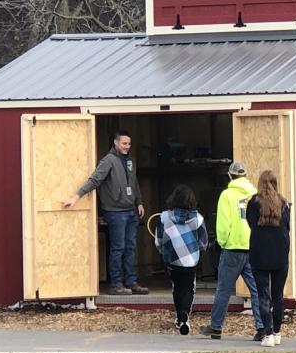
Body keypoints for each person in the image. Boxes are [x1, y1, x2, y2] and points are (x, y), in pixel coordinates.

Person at [62, 129, 148, 295]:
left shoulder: (130, 160)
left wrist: (139, 202)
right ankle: (116, 284)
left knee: (130, 247)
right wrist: (76, 196)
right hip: (115, 211)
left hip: (131, 210)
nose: (127, 147)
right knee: (118, 247)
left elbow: (134, 182)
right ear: (115, 143)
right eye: (124, 143)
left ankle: (131, 281)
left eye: (129, 144)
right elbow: (95, 180)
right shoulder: (108, 161)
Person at [206, 161, 264, 340]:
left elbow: (224, 223)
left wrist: (222, 242)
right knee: (257, 290)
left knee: (223, 289)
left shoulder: (227, 195)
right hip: (252, 247)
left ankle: (216, 327)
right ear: (245, 176)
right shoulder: (255, 194)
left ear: (230, 176)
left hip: (232, 248)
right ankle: (261, 327)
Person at [154, 184, 209, 335]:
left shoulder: (164, 217)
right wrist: (199, 254)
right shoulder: (198, 219)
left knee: (176, 288)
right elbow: (204, 242)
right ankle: (185, 315)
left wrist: (163, 253)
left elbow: (158, 240)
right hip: (191, 260)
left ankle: (179, 315)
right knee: (189, 288)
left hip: (172, 260)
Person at [246, 170, 291, 348]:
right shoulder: (284, 203)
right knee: (278, 295)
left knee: (263, 294)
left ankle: (268, 333)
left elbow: (249, 223)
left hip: (259, 252)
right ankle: (278, 331)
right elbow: (287, 226)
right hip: (280, 253)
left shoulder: (253, 203)